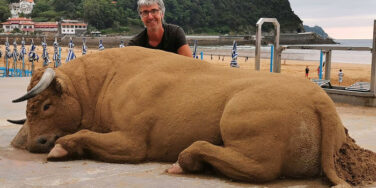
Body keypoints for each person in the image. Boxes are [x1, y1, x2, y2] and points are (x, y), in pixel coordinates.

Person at [128, 0, 192, 57]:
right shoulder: (135, 44)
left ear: (162, 14)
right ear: (141, 17)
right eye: (145, 12)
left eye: (154, 11)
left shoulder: (175, 34)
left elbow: (189, 63)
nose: (150, 17)